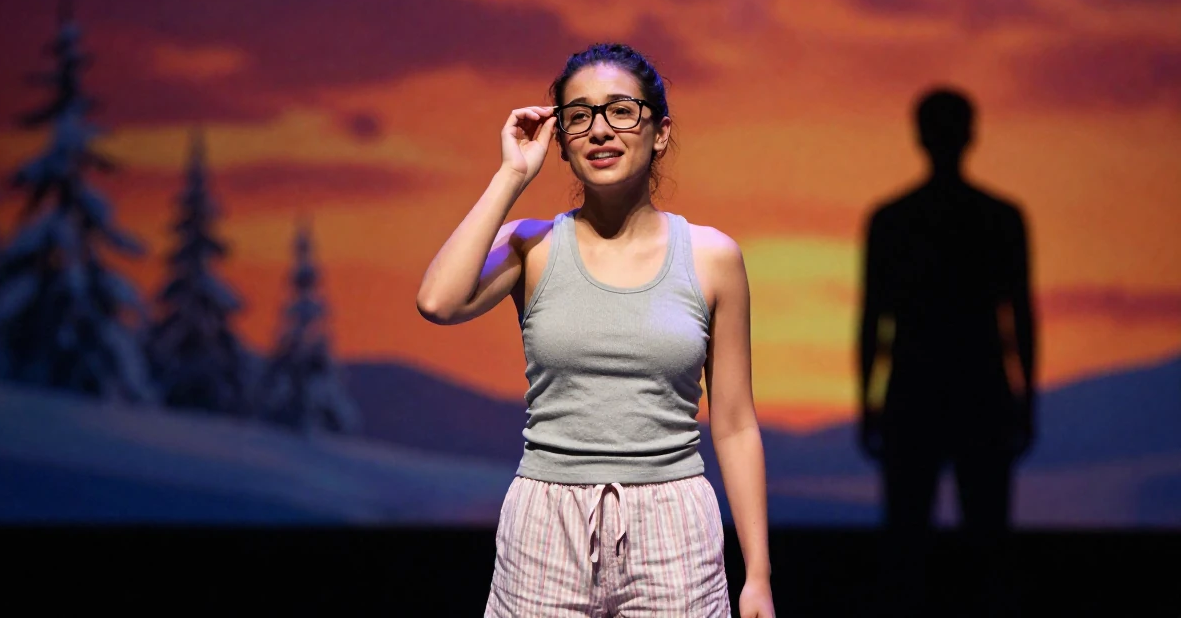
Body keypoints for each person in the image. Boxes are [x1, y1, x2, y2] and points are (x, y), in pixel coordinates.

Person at [417, 43, 775, 617]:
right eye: (579, 115)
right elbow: (437, 301)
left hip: (673, 532)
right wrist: (512, 174)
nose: (600, 130)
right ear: (561, 141)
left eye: (620, 110)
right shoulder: (530, 246)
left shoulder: (711, 257)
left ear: (659, 132)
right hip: (544, 527)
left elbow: (733, 424)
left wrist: (757, 574)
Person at [858, 87, 1036, 617]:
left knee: (909, 546)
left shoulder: (892, 220)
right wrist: (1026, 401)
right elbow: (1020, 319)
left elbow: (873, 322)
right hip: (980, 395)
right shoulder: (1001, 218)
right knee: (984, 544)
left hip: (914, 396)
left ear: (920, 137)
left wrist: (869, 402)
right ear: (970, 135)